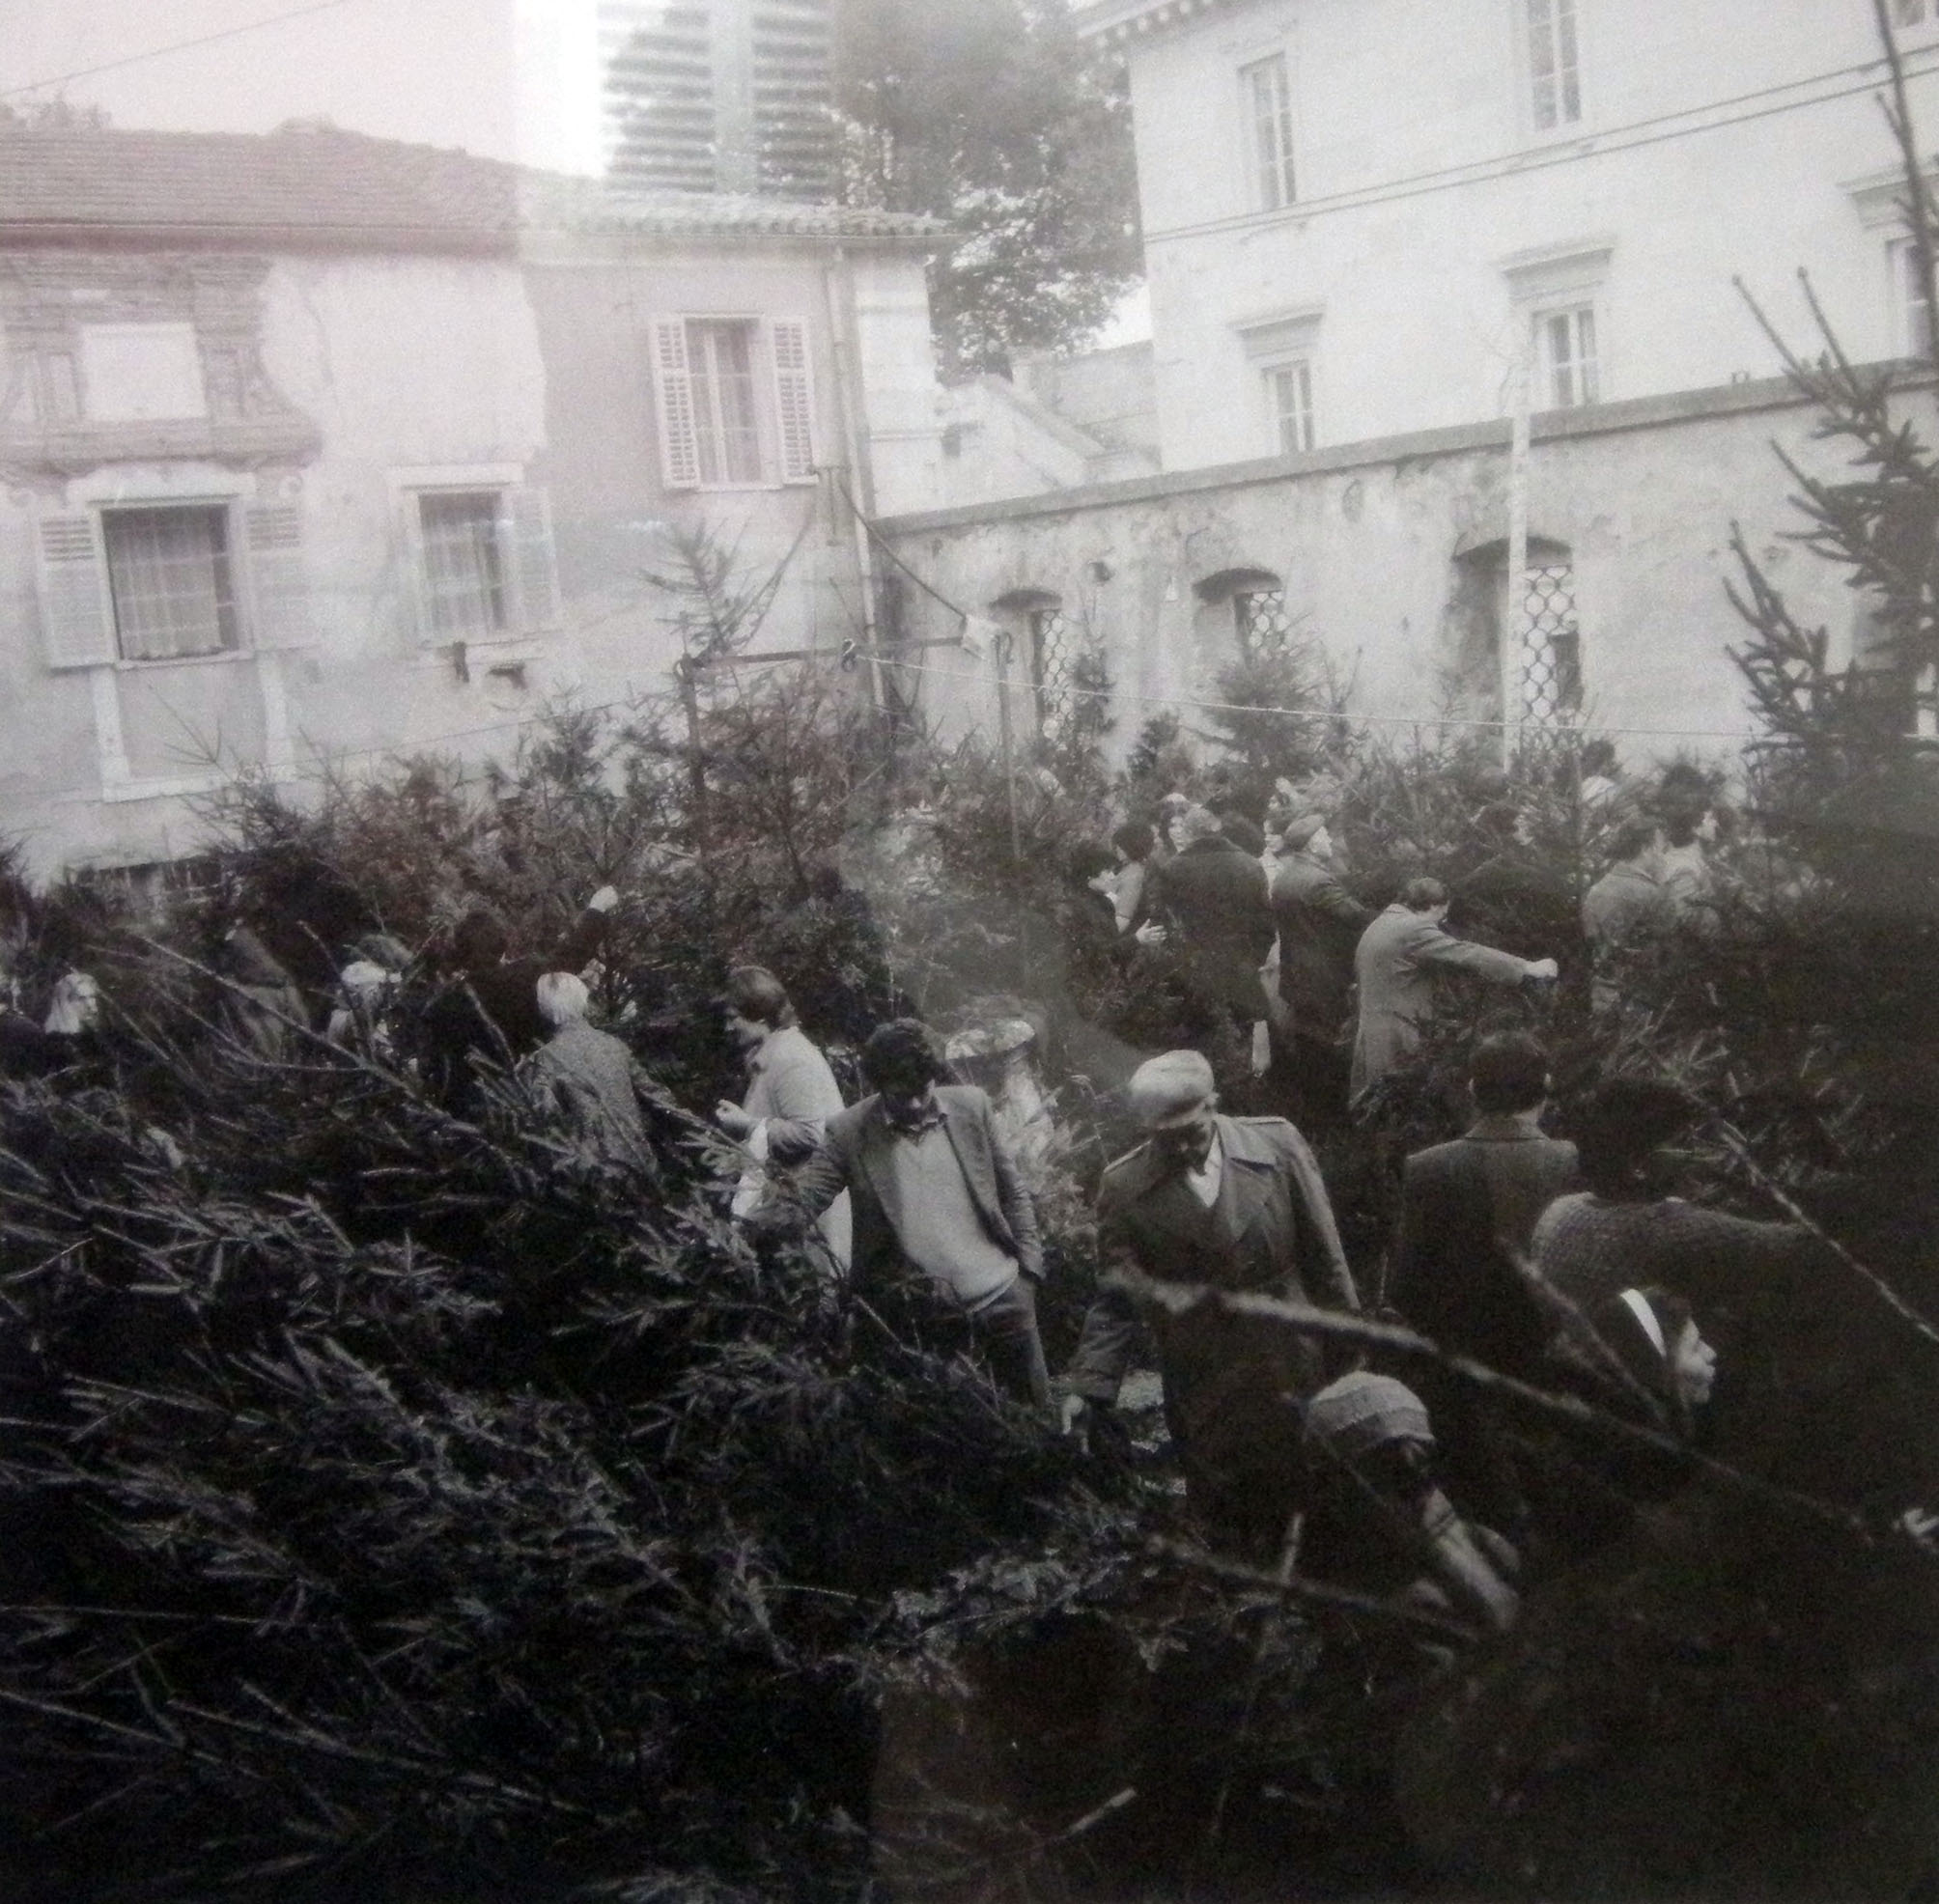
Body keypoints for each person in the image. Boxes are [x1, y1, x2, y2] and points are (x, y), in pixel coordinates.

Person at [1060, 1049, 1360, 1557]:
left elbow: (1325, 1256)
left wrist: (1350, 1347)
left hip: (1290, 1353)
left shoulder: (1276, 1143)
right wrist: (1089, 1386)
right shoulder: (1124, 1185)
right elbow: (1118, 1296)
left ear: (1214, 1106)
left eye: (1190, 1131)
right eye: (1163, 1137)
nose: (1179, 1148)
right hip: (1204, 1372)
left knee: (1312, 1490)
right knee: (1224, 1506)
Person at [766, 1019, 1051, 1410]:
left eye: (924, 1090)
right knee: (958, 1436)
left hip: (1005, 1301)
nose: (916, 1104)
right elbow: (804, 1201)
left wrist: (1029, 1273)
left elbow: (1013, 1191)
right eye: (903, 1095)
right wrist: (752, 1230)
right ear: (879, 1086)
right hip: (923, 1324)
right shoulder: (849, 1133)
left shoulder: (972, 1107)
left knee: (1040, 1425)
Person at [1387, 1031, 1583, 1531]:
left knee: (1480, 1519)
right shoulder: (1571, 1162)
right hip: (1558, 1382)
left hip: (1462, 1383)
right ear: (1546, 1088)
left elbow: (1405, 1288)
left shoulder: (1428, 1168)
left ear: (1473, 1089)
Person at [1532, 1078, 1811, 1312]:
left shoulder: (1558, 1210)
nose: (1695, 1153)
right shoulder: (1666, 1226)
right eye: (1682, 1143)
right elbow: (1797, 1249)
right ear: (1639, 1165)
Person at [1301, 1371, 1522, 1646]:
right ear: (1348, 1497)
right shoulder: (1394, 1606)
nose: (1420, 1488)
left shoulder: (1487, 1544)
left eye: (1423, 1463)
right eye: (1392, 1471)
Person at [1350, 879, 1558, 1102]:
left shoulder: (1382, 923)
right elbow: (1465, 952)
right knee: (1400, 1104)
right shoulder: (1413, 928)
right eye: (1443, 916)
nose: (1440, 924)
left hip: (1373, 1032)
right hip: (1398, 1034)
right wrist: (1527, 967)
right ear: (1433, 906)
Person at [425, 884, 619, 1106]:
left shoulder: (443, 1005)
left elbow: (440, 1070)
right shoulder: (527, 976)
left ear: (460, 951)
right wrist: (596, 909)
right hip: (533, 1098)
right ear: (501, 945)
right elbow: (571, 955)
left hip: (472, 1108)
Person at [715, 965, 850, 1274]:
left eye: (732, 1017)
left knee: (817, 1294)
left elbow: (812, 1134)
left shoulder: (791, 1059)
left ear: (760, 1015)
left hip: (811, 1211)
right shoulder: (772, 1054)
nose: (727, 1027)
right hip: (790, 1207)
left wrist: (747, 1125)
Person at [1138, 803, 1277, 1069]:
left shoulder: (1173, 870)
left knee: (1201, 1056)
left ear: (1189, 834)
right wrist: (1249, 959)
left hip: (1194, 978)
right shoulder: (1249, 865)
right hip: (1242, 975)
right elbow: (1266, 926)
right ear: (1217, 829)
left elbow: (1161, 926)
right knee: (1245, 1052)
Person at [1270, 812, 1374, 1124]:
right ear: (1313, 844)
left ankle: (1312, 1116)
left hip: (1297, 974)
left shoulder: (1286, 877)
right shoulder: (1318, 881)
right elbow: (1356, 916)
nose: (1330, 841)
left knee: (1308, 1044)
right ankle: (1335, 1118)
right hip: (1324, 977)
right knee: (1329, 1045)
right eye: (1325, 836)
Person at [521, 970, 667, 1173]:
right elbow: (656, 1095)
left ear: (543, 1006)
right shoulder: (614, 1045)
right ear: (583, 1000)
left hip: (592, 1173)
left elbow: (547, 1121)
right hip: (640, 1162)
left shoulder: (547, 1058)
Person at [1108, 820, 1158, 938]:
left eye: (1120, 845)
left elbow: (1122, 921)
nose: (1117, 849)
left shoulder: (1133, 876)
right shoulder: (1129, 869)